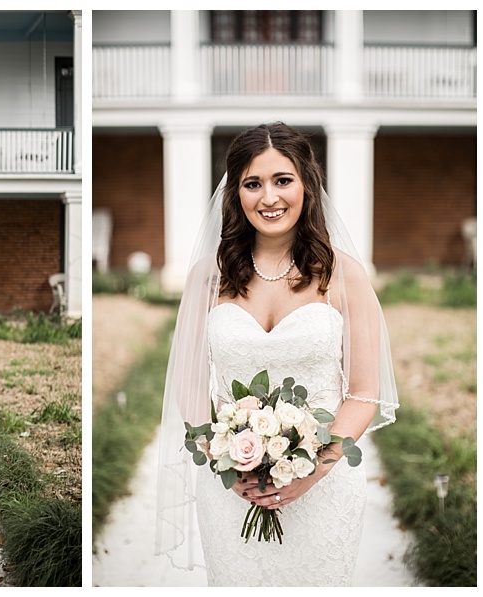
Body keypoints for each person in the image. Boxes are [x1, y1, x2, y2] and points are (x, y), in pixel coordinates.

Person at [155, 123, 398, 586]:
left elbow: (364, 393)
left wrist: (311, 472)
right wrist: (224, 457)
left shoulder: (344, 274)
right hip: (232, 489)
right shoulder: (208, 277)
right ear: (235, 194)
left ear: (307, 184)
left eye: (282, 180)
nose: (269, 197)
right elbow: (189, 383)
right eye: (253, 183)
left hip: (323, 491)